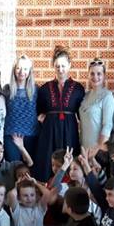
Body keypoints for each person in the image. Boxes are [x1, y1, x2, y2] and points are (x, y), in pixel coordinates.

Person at [34, 46, 85, 181]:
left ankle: (70, 186)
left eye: (63, 66)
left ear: (69, 65)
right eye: (57, 66)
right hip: (49, 130)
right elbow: (38, 110)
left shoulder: (78, 88)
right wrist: (42, 117)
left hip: (69, 128)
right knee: (47, 157)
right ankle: (47, 186)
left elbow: (81, 113)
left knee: (68, 156)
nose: (60, 69)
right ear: (53, 66)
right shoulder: (45, 88)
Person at [3, 55, 39, 165]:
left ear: (30, 71)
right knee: (13, 167)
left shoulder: (36, 90)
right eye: (18, 68)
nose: (22, 72)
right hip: (11, 136)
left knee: (30, 167)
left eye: (25, 69)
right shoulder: (6, 89)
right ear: (14, 70)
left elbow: (42, 108)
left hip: (31, 135)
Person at [78, 58, 114, 154]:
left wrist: (98, 149)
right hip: (83, 148)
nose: (95, 77)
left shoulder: (107, 96)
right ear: (88, 75)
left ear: (104, 76)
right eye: (92, 73)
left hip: (97, 151)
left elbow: (107, 125)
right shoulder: (86, 96)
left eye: (99, 74)